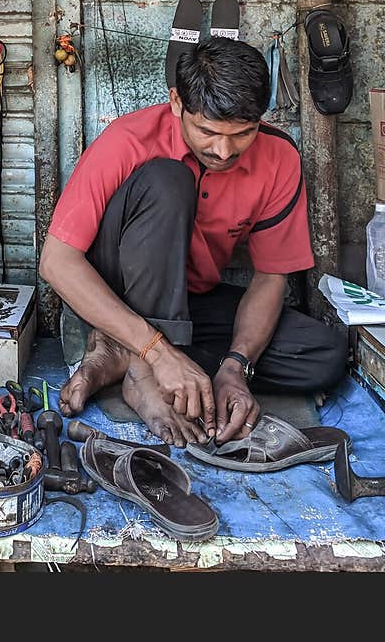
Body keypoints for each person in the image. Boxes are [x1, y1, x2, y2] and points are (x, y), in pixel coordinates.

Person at [39, 38, 346, 448]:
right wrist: (157, 352)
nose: (223, 150)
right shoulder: (127, 140)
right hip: (120, 292)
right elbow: (56, 263)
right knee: (167, 181)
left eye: (243, 133)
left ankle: (120, 352)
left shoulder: (278, 158)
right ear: (176, 103)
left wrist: (237, 367)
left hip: (189, 302)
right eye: (206, 131)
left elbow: (272, 276)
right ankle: (143, 372)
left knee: (323, 355)